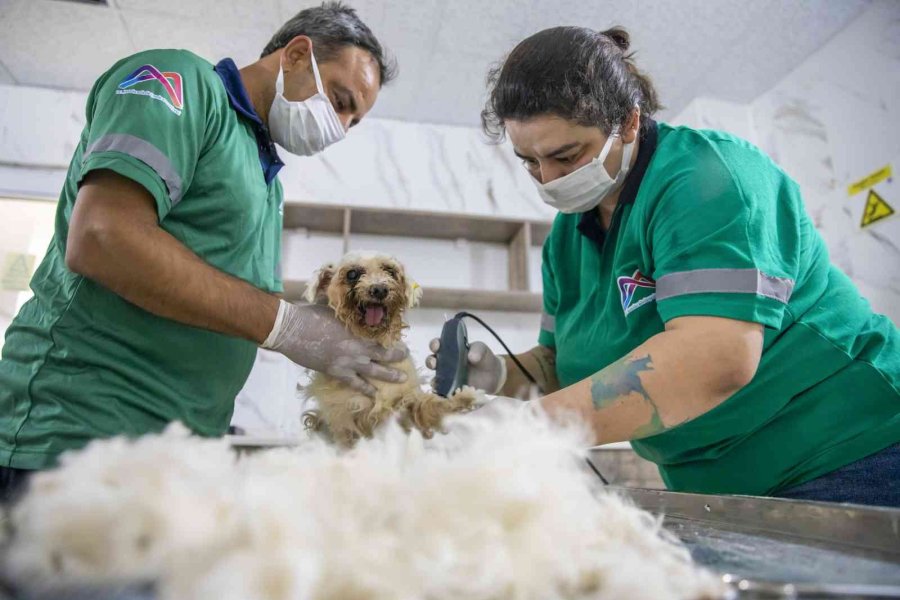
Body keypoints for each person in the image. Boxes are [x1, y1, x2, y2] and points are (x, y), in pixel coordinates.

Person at [427, 26, 900, 506]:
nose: (547, 179)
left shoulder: (706, 179)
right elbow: (562, 365)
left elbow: (715, 357)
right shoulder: (564, 240)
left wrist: (527, 428)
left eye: (566, 156)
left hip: (848, 448)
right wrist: (501, 375)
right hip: (715, 485)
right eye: (529, 162)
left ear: (629, 122)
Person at [0, 2, 408, 502]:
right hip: (79, 435)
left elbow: (225, 300)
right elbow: (103, 236)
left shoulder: (268, 182)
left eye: (353, 122)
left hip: (177, 456)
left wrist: (320, 328)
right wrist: (287, 325)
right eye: (341, 102)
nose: (340, 127)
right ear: (298, 55)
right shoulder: (184, 83)